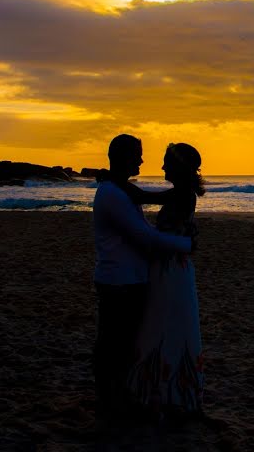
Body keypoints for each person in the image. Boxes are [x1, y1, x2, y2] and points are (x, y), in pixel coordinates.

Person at [92, 134, 193, 422]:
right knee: (114, 341)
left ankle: (118, 395)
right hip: (119, 280)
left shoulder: (120, 190)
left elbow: (143, 224)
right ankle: (109, 399)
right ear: (123, 156)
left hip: (130, 278)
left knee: (123, 340)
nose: (142, 160)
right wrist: (186, 245)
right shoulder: (113, 193)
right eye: (137, 154)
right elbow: (143, 234)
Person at [127, 143, 206, 418]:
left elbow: (142, 197)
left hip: (171, 267)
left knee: (164, 322)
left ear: (178, 167)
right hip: (173, 266)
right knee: (167, 323)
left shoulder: (181, 195)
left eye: (166, 162)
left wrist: (117, 185)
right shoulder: (182, 194)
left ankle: (164, 394)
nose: (161, 167)